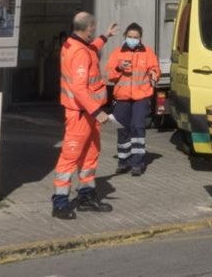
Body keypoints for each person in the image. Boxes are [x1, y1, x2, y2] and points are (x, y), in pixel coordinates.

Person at [51, 12, 117, 219]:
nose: (94, 31)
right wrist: (96, 111)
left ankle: (86, 195)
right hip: (82, 114)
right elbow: (79, 88)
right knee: (70, 157)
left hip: (85, 114)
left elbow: (91, 50)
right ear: (88, 28)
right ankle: (60, 203)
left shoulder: (74, 44)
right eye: (94, 29)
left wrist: (105, 37)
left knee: (91, 154)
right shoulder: (79, 51)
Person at [107, 22, 161, 177]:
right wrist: (119, 68)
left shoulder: (148, 52)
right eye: (130, 37)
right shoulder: (117, 53)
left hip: (141, 97)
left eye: (135, 37)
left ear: (140, 38)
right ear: (125, 37)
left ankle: (137, 162)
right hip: (122, 97)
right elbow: (110, 75)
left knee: (138, 127)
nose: (132, 39)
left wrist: (154, 74)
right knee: (123, 129)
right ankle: (123, 161)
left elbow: (155, 68)